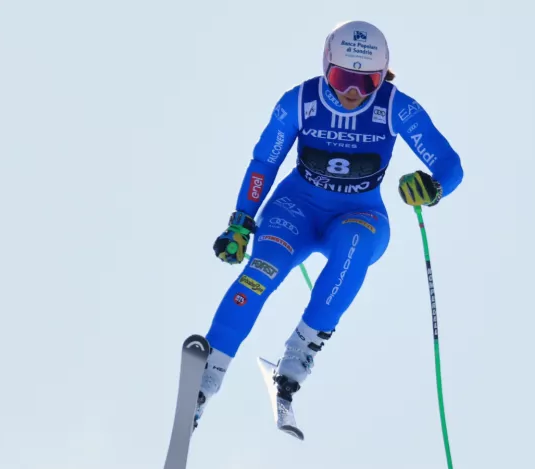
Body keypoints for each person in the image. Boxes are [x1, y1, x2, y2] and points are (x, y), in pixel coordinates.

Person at [193, 20, 463, 429]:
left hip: (359, 215)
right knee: (260, 274)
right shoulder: (298, 102)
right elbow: (265, 162)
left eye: (367, 82)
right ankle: (207, 375)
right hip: (294, 210)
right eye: (341, 78)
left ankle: (298, 356)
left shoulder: (394, 106)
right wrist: (240, 223)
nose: (352, 93)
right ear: (325, 65)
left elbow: (449, 164)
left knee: (353, 245)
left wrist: (433, 185)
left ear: (383, 75)